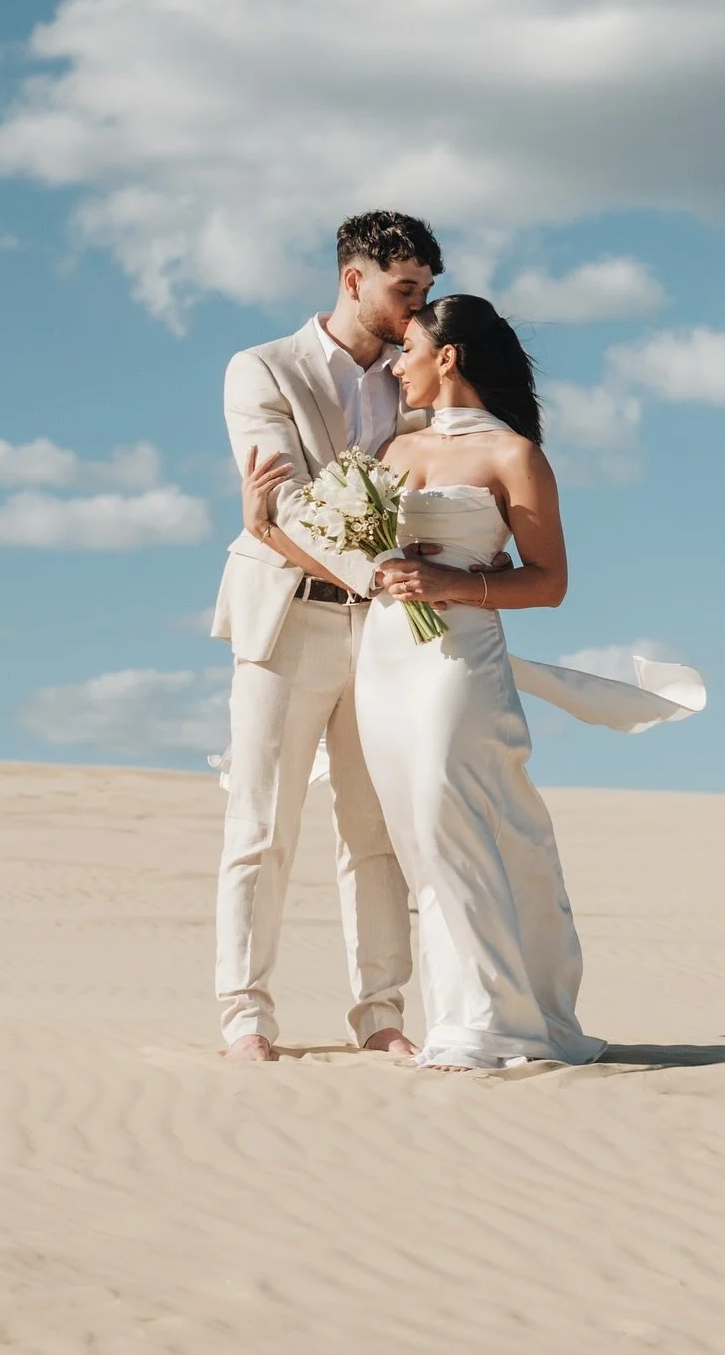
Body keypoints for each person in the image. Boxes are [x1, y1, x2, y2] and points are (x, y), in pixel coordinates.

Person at [241, 295, 634, 1069]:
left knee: (448, 814)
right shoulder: (395, 454)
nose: (396, 362)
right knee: (415, 833)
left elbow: (548, 582)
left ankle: (491, 1024)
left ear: (447, 357)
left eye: (410, 348)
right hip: (386, 660)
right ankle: (462, 1011)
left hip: (460, 662)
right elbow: (365, 571)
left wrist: (454, 587)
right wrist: (267, 528)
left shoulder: (514, 457)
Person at [211, 210, 443, 1063]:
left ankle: (381, 1013)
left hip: (384, 631)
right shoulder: (261, 368)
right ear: (354, 278)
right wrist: (374, 569)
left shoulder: (413, 377)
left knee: (373, 826)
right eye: (404, 289)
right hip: (284, 614)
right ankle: (245, 1015)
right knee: (263, 821)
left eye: (425, 292)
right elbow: (283, 499)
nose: (418, 310)